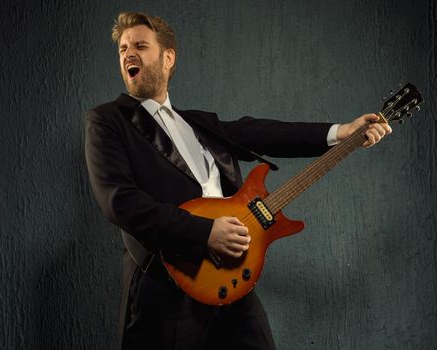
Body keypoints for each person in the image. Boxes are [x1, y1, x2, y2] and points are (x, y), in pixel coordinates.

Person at [84, 11, 391, 350]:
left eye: (140, 45)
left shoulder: (199, 124)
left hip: (233, 278)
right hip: (167, 288)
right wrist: (205, 233)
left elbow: (265, 133)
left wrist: (342, 132)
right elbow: (119, 201)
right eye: (123, 48)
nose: (129, 53)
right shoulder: (107, 121)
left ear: (168, 57)